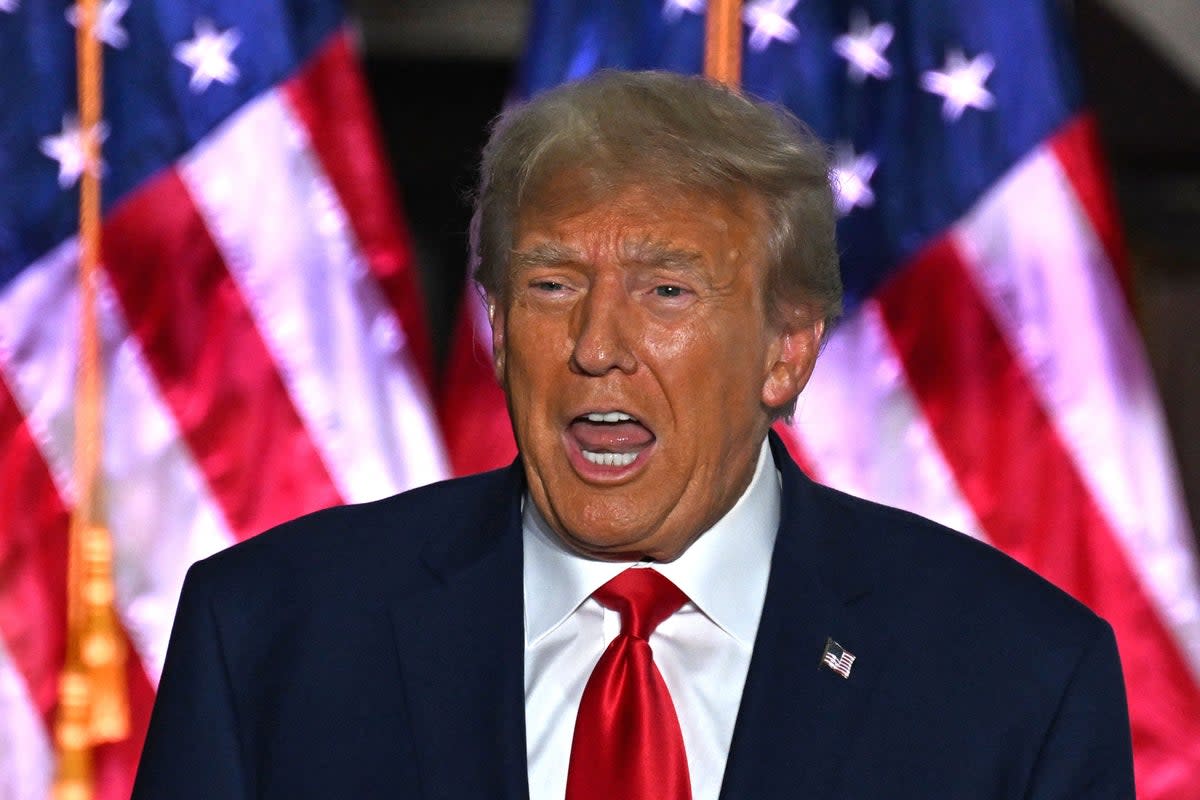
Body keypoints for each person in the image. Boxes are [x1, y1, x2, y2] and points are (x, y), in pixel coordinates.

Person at [132, 70, 1134, 799]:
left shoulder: (1014, 676)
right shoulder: (272, 634)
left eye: (665, 291)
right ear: (495, 326)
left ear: (786, 349)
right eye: (552, 284)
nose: (596, 345)